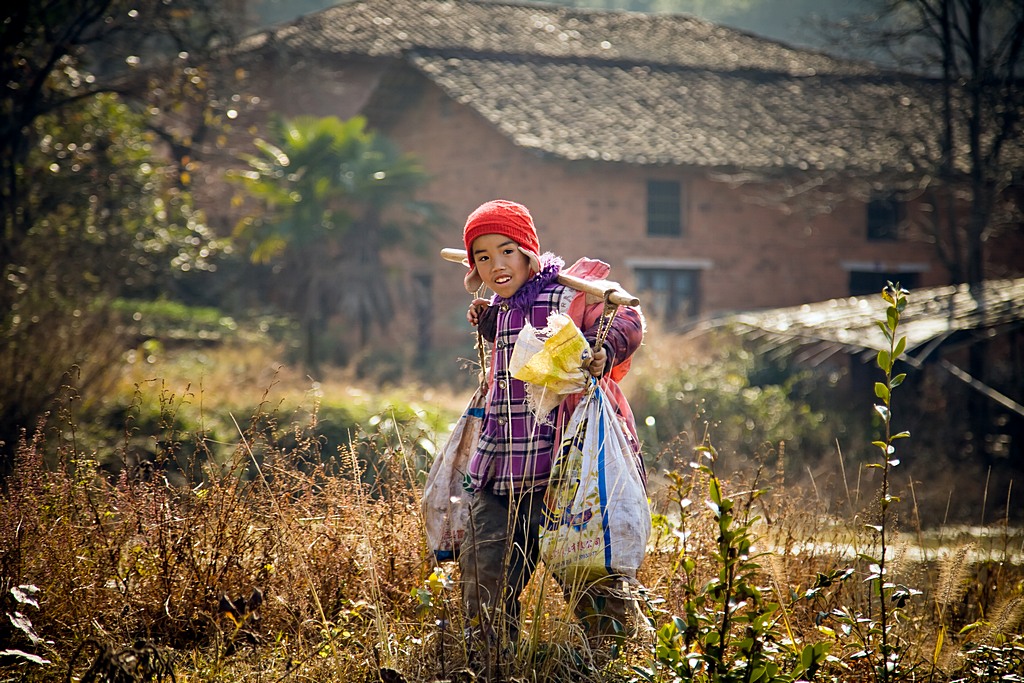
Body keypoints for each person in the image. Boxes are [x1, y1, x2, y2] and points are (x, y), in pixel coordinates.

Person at [456, 198, 646, 659]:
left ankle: (610, 663)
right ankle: (493, 666)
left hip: (563, 471)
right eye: (483, 257)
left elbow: (625, 317)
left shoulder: (566, 293)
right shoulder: (500, 309)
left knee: (591, 579)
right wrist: (488, 324)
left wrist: (606, 350)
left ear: (528, 251)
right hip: (501, 468)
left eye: (506, 251)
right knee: (483, 579)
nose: (497, 265)